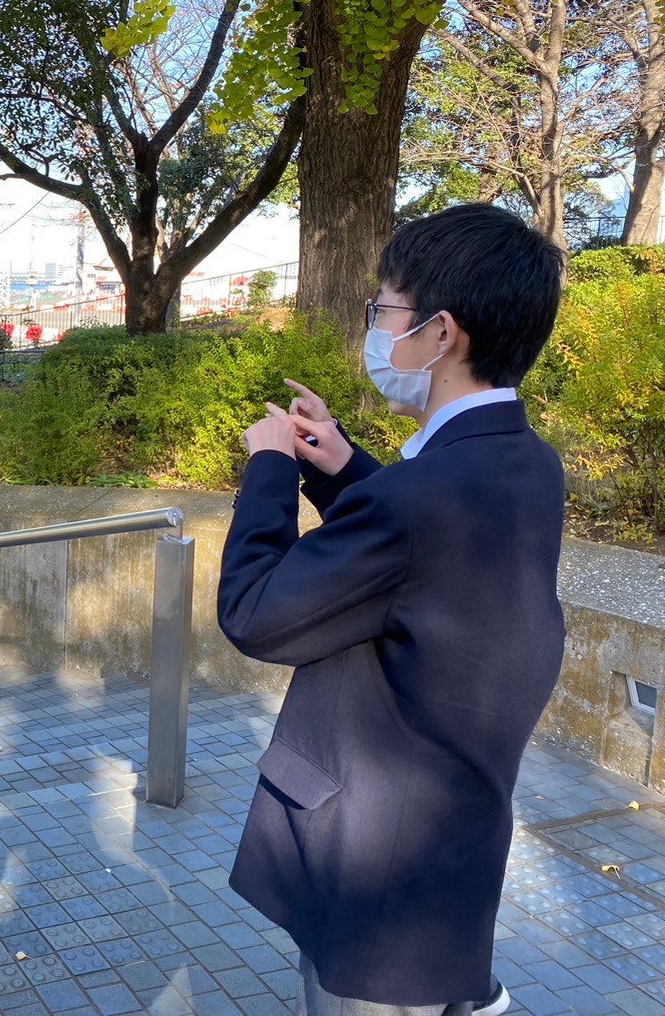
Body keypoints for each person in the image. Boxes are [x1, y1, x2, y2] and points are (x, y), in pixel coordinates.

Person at [216, 204, 566, 1016]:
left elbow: (256, 613)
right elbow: (423, 556)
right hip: (449, 840)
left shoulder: (419, 494)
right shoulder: (526, 462)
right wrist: (341, 467)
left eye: (385, 309)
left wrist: (268, 469)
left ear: (440, 333)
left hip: (377, 863)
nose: (375, 328)